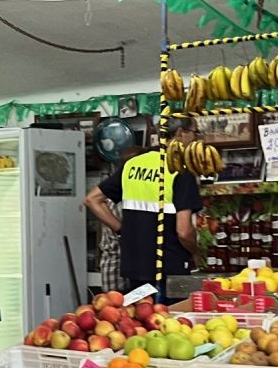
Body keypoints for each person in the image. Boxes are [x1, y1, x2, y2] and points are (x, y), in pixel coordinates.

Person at [84, 123, 204, 292]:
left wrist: (122, 230)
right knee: (173, 316)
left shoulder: (133, 164)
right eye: (195, 133)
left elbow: (92, 199)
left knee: (142, 316)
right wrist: (196, 253)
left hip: (136, 265)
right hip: (169, 265)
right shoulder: (180, 168)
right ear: (180, 133)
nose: (196, 139)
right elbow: (183, 231)